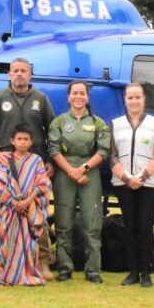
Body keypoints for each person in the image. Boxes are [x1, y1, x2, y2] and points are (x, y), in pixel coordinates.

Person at [0, 58, 57, 279]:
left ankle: (43, 261)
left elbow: (51, 130)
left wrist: (50, 159)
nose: (19, 74)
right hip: (8, 166)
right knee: (8, 214)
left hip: (36, 166)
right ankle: (9, 261)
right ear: (9, 74)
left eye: (23, 71)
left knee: (38, 215)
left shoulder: (41, 99)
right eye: (15, 70)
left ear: (30, 75)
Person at [48, 81, 111, 283]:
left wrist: (83, 169)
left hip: (89, 174)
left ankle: (93, 270)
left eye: (82, 93)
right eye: (74, 93)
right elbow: (53, 149)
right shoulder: (58, 122)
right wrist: (70, 171)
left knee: (92, 223)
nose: (78, 97)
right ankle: (64, 268)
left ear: (87, 97)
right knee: (63, 222)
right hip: (64, 173)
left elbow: (103, 151)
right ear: (68, 97)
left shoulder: (98, 123)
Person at [109, 83, 154, 288]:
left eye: (137, 97)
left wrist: (140, 177)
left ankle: (146, 272)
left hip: (149, 183)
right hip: (123, 183)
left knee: (145, 226)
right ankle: (133, 272)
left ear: (144, 100)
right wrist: (126, 178)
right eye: (130, 98)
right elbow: (112, 154)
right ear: (125, 100)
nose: (133, 101)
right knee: (130, 227)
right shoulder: (115, 124)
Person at [0, 124, 51, 286]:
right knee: (8, 239)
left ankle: (28, 271)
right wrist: (13, 201)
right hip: (10, 210)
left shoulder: (36, 160)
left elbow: (42, 183)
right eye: (19, 139)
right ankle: (7, 271)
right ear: (12, 140)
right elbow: (1, 183)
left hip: (28, 209)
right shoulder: (6, 160)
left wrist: (28, 200)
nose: (22, 142)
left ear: (32, 142)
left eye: (26, 139)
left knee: (29, 242)